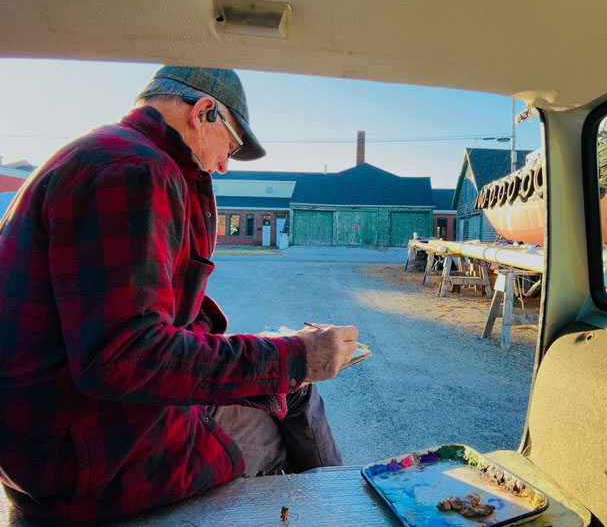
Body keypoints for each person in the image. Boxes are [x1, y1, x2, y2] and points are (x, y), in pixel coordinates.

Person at [0, 66, 358, 523]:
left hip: (54, 434)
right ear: (204, 112)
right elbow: (124, 356)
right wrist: (290, 358)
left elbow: (129, 325)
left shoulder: (101, 153)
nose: (224, 165)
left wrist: (271, 354)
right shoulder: (136, 170)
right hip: (88, 457)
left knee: (291, 387)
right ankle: (345, 513)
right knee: (289, 401)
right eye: (229, 146)